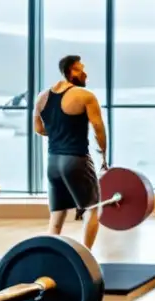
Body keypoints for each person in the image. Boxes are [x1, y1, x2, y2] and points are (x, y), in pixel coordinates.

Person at [33, 56, 107, 251]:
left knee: (57, 215)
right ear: (71, 72)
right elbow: (98, 128)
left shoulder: (42, 96)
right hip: (76, 159)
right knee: (91, 208)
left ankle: (48, 257)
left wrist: (58, 131)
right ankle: (86, 256)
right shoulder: (84, 95)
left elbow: (38, 128)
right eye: (81, 69)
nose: (85, 74)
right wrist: (104, 154)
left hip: (53, 163)